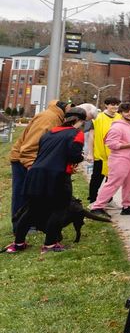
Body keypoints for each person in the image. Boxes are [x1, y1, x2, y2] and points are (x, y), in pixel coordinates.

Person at [6, 107, 87, 253]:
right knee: (59, 208)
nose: (82, 125)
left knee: (32, 209)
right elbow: (74, 155)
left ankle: (18, 243)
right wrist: (81, 157)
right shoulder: (77, 134)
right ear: (78, 121)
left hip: (35, 174)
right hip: (58, 176)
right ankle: (50, 244)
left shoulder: (50, 132)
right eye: (83, 122)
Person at [9, 99, 70, 230]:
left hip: (33, 162)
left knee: (32, 195)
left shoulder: (56, 117)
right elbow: (31, 145)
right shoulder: (49, 118)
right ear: (65, 109)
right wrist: (30, 165)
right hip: (24, 162)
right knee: (22, 195)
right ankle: (20, 227)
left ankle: (31, 224)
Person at [88, 103, 130, 218]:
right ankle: (97, 207)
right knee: (113, 183)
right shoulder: (117, 127)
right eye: (127, 112)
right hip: (119, 158)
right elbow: (111, 144)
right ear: (121, 113)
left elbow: (129, 141)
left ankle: (127, 206)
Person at [88, 97, 120, 204]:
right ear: (106, 105)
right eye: (112, 104)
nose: (115, 107)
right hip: (101, 155)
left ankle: (107, 199)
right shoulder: (98, 118)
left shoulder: (120, 118)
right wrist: (90, 153)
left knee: (111, 180)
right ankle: (92, 199)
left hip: (115, 155)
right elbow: (91, 136)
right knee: (96, 178)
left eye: (116, 104)